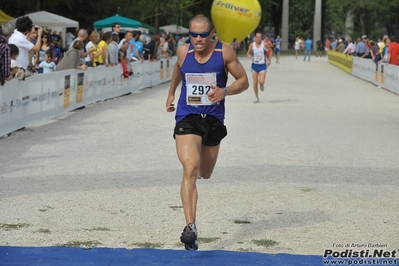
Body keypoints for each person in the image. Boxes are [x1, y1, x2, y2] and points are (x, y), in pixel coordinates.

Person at [165, 14, 248, 251]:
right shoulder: (184, 51)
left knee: (205, 172)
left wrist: (225, 91)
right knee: (190, 167)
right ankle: (190, 227)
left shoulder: (225, 53)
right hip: (187, 116)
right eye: (193, 34)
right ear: (189, 35)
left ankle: (198, 173)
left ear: (212, 34)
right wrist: (172, 92)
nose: (198, 39)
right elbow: (179, 69)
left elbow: (243, 80)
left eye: (203, 34)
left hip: (213, 120)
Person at [246, 30, 273, 103]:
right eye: (257, 37)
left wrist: (269, 60)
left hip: (262, 65)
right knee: (255, 83)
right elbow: (248, 53)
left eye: (260, 37)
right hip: (254, 65)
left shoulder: (265, 45)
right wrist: (248, 55)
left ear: (262, 38)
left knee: (261, 81)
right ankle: (256, 97)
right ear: (255, 37)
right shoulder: (252, 45)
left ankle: (262, 84)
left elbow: (271, 51)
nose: (258, 39)